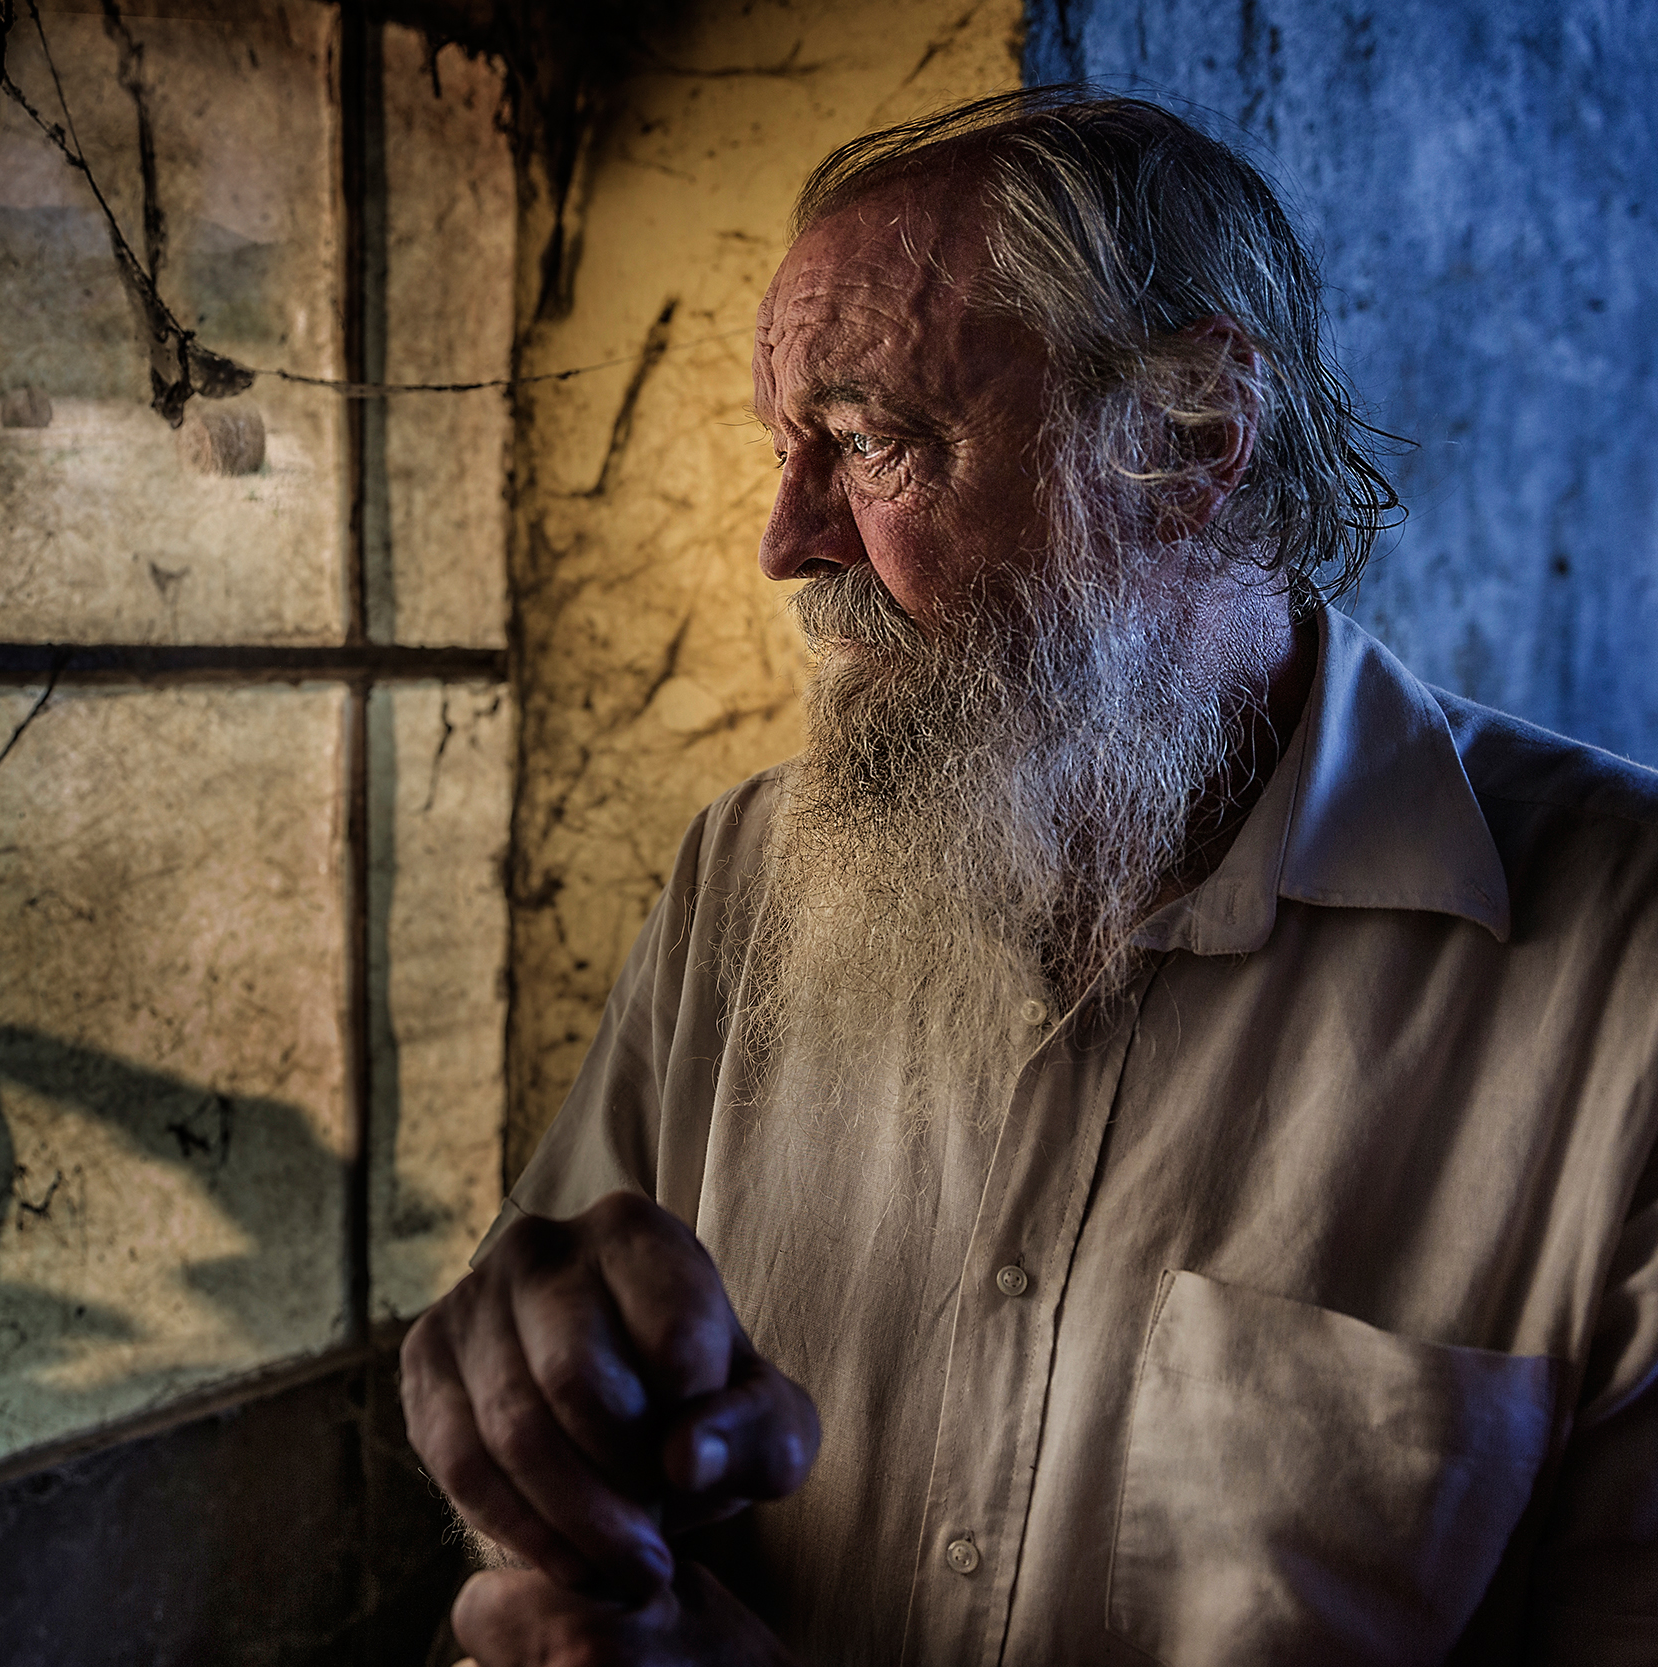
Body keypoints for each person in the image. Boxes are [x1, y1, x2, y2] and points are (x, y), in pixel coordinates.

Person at [401, 87, 1658, 1665]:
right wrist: (538, 1420)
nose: (788, 541)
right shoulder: (747, 871)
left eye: (871, 442)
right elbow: (555, 1459)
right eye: (790, 451)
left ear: (1189, 440)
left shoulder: (1624, 965)